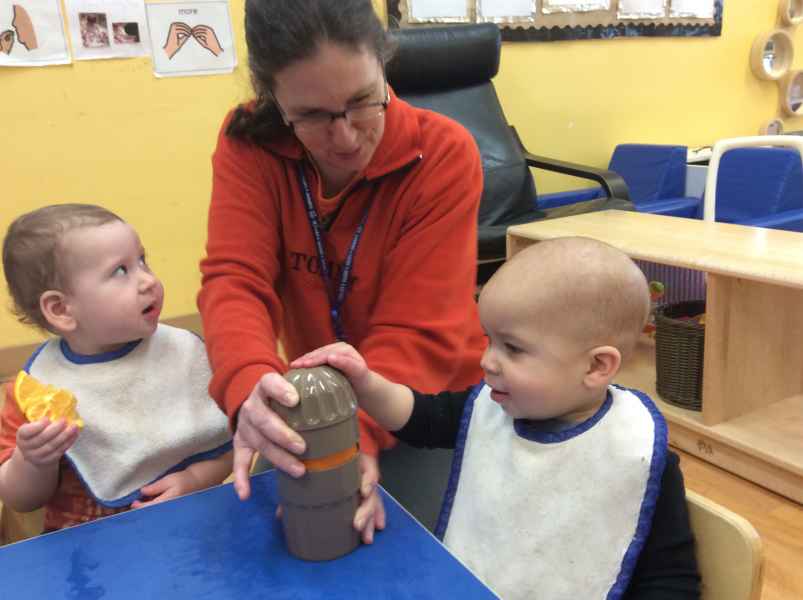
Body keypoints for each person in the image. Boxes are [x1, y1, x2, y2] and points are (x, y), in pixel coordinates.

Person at [197, 0, 485, 541]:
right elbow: (236, 281)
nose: (347, 137)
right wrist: (250, 384)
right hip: (316, 405)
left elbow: (419, 330)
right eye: (311, 116)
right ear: (272, 98)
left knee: (418, 552)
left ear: (383, 63)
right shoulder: (249, 142)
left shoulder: (443, 153)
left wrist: (359, 432)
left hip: (426, 405)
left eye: (362, 102)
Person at [292, 237, 701, 599]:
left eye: (513, 348)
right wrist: (365, 383)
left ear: (596, 366)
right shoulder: (489, 408)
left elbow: (670, 580)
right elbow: (418, 417)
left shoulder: (635, 453)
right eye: (489, 340)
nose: (487, 361)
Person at [0, 204, 233, 532]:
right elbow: (21, 500)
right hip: (86, 547)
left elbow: (228, 443)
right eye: (121, 271)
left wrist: (195, 479)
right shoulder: (38, 392)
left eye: (142, 260)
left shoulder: (182, 354)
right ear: (61, 309)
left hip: (190, 528)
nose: (147, 281)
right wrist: (33, 460)